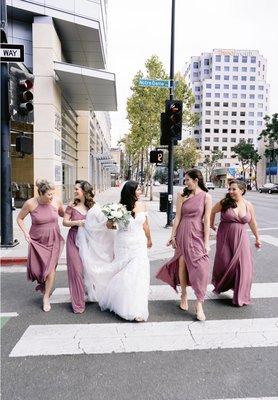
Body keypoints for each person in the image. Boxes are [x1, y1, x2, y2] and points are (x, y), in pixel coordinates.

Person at [77, 180, 152, 322]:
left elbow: (146, 225)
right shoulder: (118, 208)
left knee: (139, 273)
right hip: (123, 243)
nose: (141, 192)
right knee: (126, 272)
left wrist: (149, 239)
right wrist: (112, 219)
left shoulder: (142, 205)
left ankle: (137, 307)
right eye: (138, 189)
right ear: (131, 191)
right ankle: (125, 305)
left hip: (139, 242)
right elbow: (110, 226)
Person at [156, 169, 212, 321]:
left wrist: (206, 243)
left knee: (202, 267)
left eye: (187, 180)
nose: (185, 182)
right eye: (185, 180)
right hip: (183, 232)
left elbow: (206, 221)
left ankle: (199, 303)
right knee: (182, 263)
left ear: (196, 180)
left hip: (198, 234)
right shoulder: (182, 195)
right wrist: (172, 235)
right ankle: (184, 295)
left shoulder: (206, 197)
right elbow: (177, 217)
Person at [210, 179, 261, 306]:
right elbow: (212, 212)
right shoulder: (224, 202)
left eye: (234, 189)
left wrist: (257, 238)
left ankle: (240, 296)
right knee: (225, 263)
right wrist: (211, 225)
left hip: (241, 237)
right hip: (225, 237)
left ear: (242, 190)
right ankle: (223, 284)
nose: (231, 191)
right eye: (230, 189)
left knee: (242, 266)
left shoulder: (248, 205)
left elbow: (252, 222)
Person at [17, 179, 64, 312]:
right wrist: (25, 233)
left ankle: (46, 297)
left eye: (53, 194)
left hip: (53, 238)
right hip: (37, 240)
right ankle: (43, 284)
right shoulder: (30, 203)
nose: (52, 197)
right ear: (41, 193)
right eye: (49, 194)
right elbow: (19, 218)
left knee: (50, 269)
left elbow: (62, 213)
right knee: (38, 270)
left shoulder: (56, 201)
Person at [63, 180, 95, 314]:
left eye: (77, 189)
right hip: (73, 239)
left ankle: (90, 293)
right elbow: (65, 222)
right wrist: (78, 222)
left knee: (88, 270)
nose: (75, 191)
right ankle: (78, 303)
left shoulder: (92, 206)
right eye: (75, 188)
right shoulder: (71, 205)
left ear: (85, 191)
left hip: (88, 241)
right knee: (76, 271)